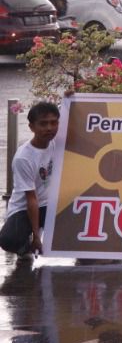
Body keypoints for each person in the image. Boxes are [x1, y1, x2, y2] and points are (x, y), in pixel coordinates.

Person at [0, 102, 60, 258]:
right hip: (25, 207)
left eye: (54, 123)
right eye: (43, 124)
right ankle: (26, 248)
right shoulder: (23, 158)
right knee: (9, 240)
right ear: (31, 127)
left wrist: (70, 96)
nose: (49, 128)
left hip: (51, 204)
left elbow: (73, 114)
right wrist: (36, 237)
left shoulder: (57, 140)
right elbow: (31, 199)